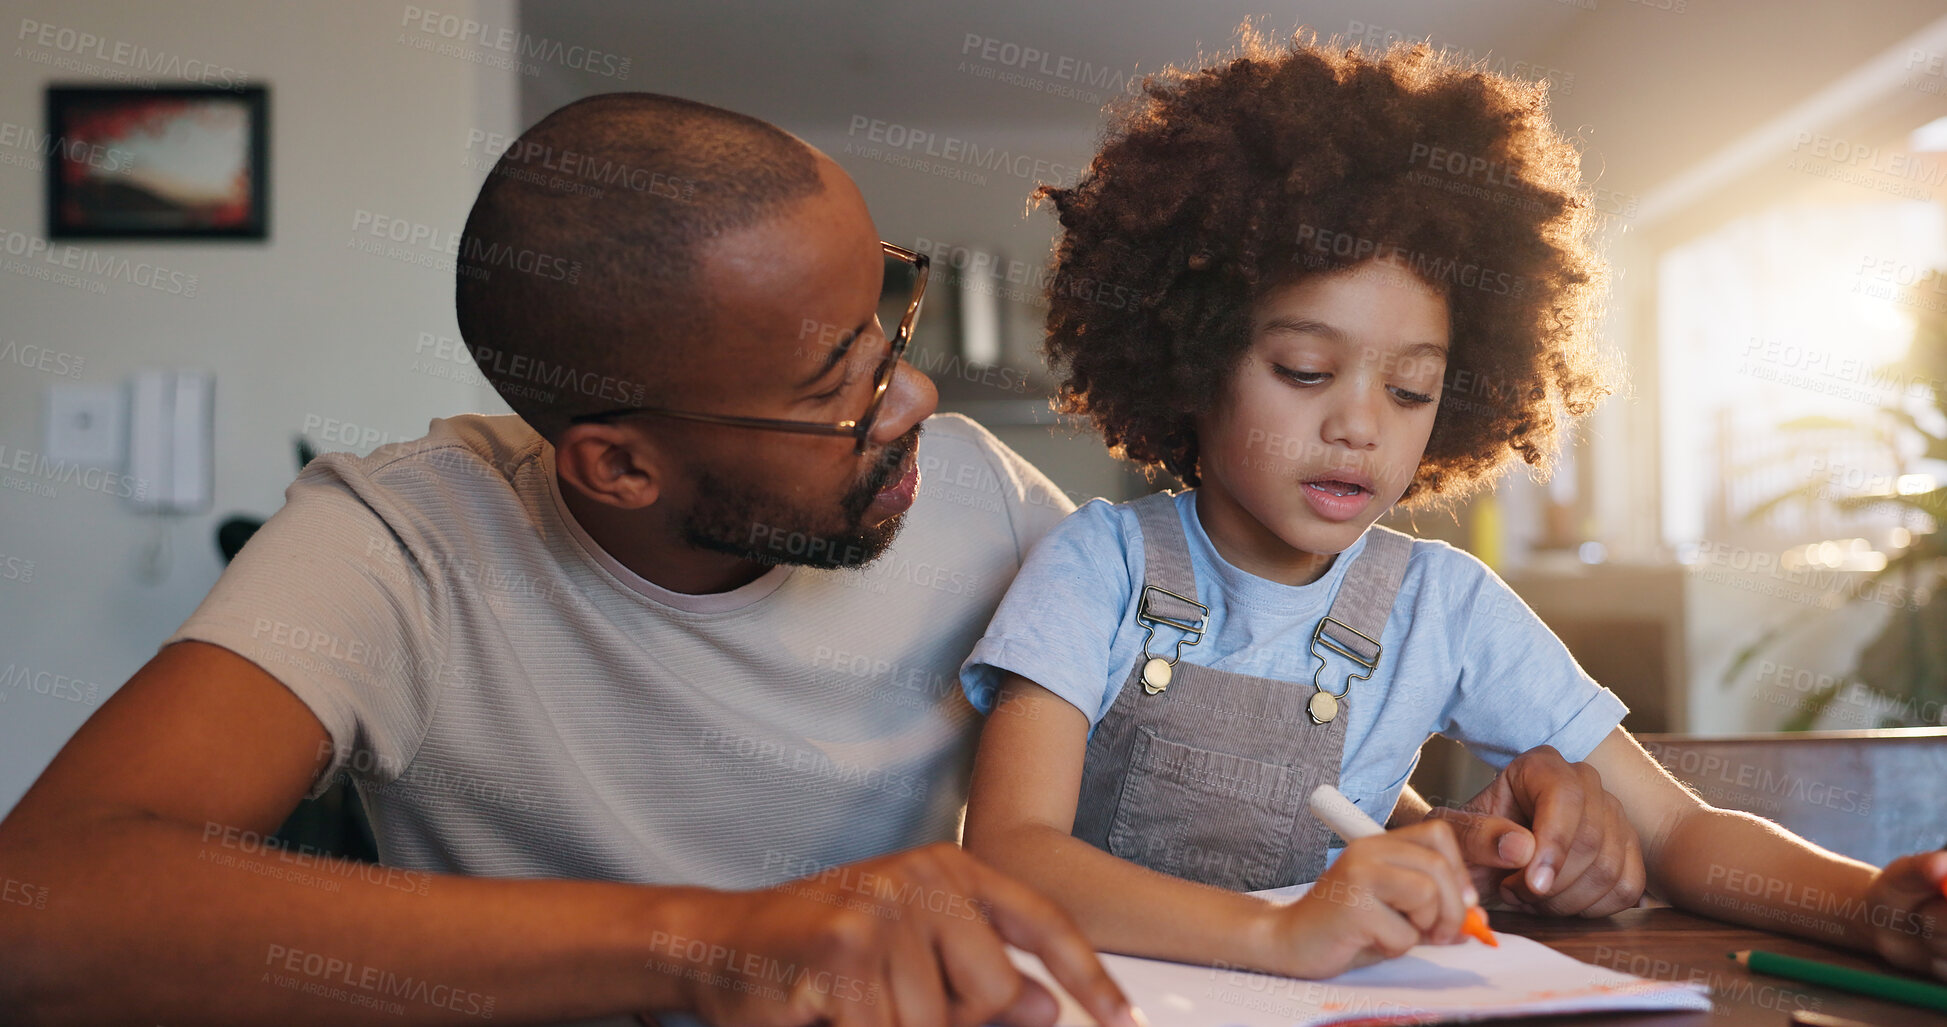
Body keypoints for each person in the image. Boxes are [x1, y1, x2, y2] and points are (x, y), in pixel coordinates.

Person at [0, 92, 1639, 1026]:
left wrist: (1449, 826)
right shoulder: (402, 543)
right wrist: (730, 934)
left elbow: (1187, 760)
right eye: (830, 387)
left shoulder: (984, 499)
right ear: (618, 462)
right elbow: (42, 906)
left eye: (888, 317)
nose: (907, 394)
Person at [958, 33, 1947, 983]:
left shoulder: (1442, 604)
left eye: (1411, 389)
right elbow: (1010, 854)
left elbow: (1683, 830)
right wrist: (1282, 933)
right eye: (1306, 369)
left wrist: (1874, 909)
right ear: (1190, 360)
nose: (1360, 426)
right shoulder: (1098, 568)